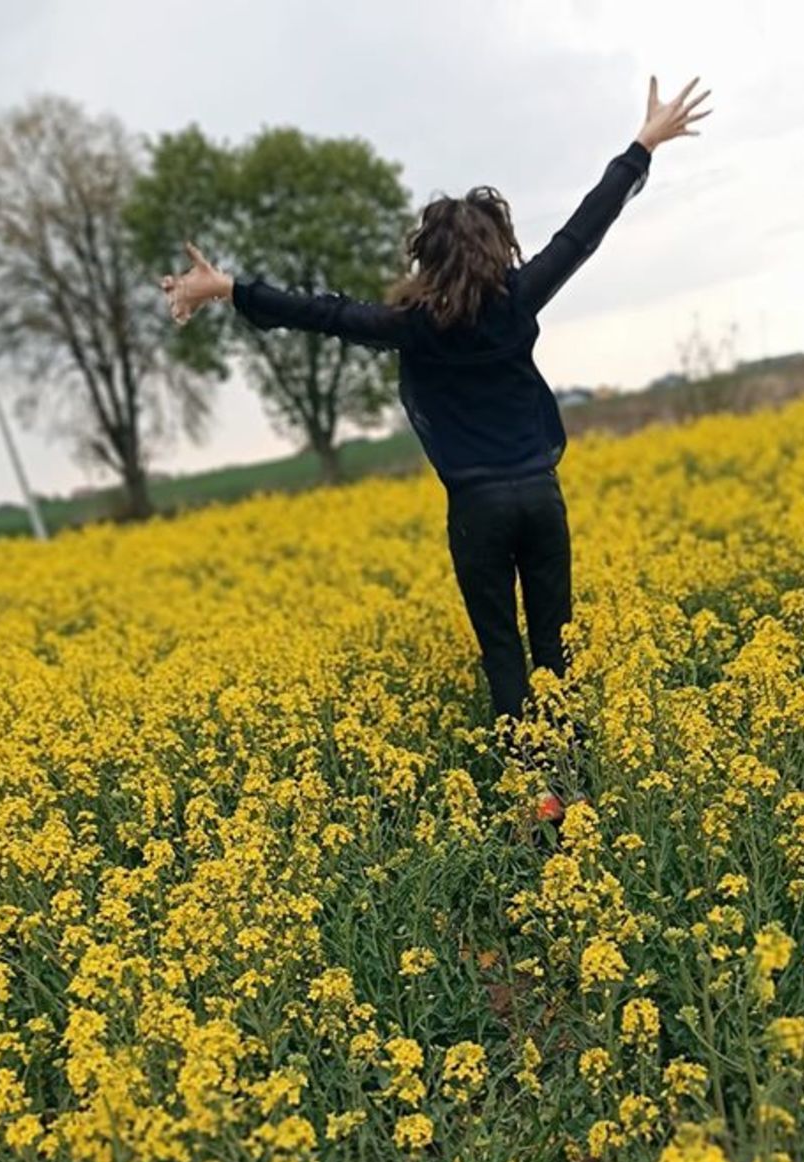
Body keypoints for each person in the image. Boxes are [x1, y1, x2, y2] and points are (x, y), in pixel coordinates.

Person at [161, 74, 712, 824]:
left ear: (428, 258)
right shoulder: (520, 300)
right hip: (540, 499)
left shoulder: (412, 327)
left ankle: (539, 803)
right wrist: (642, 146)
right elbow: (583, 231)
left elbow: (320, 313)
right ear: (494, 249)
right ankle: (578, 786)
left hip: (477, 511)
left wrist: (226, 287)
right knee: (556, 647)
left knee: (503, 651)